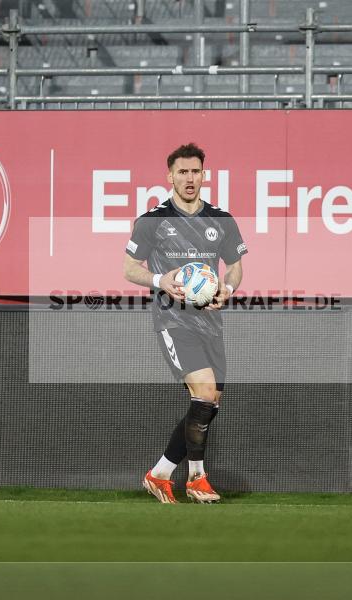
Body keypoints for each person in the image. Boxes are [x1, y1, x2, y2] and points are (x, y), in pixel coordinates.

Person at [122, 143, 247, 504]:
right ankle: (196, 478)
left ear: (204, 175)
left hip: (211, 322)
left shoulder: (221, 220)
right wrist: (161, 280)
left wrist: (229, 287)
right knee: (205, 394)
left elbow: (236, 265)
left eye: (195, 172)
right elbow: (129, 269)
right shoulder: (152, 220)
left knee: (208, 402)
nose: (189, 178)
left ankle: (161, 474)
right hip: (173, 321)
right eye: (182, 172)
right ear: (170, 176)